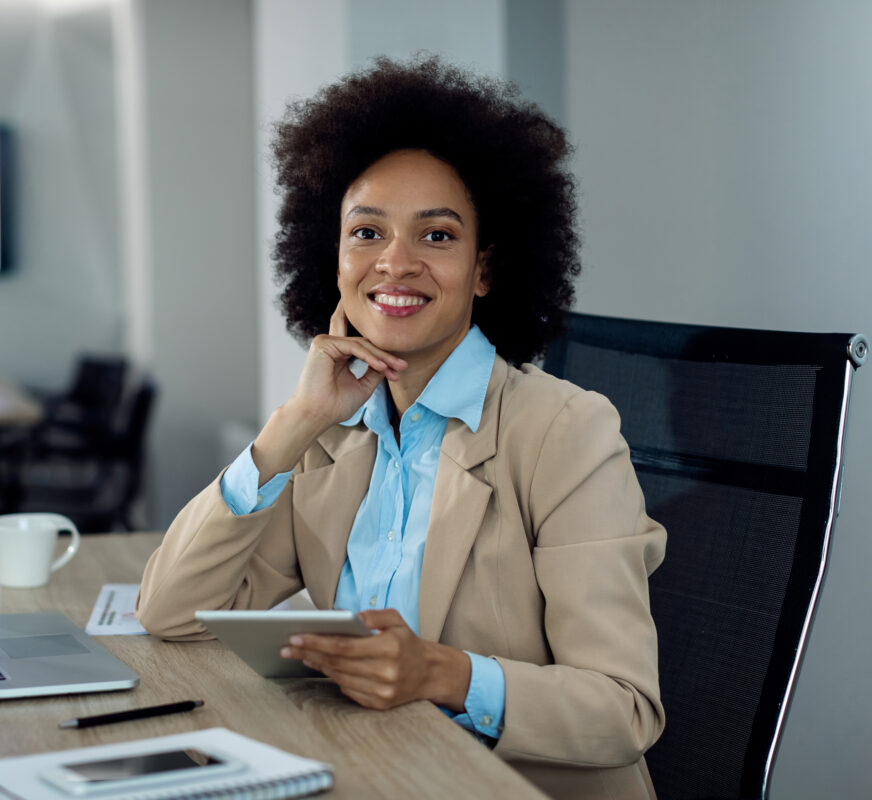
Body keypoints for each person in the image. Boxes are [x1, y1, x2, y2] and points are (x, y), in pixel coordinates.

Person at [136, 56, 666, 800]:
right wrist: (293, 425)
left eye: (437, 236)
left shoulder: (566, 434)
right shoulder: (335, 429)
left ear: (485, 268)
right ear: (334, 258)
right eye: (367, 233)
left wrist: (444, 675)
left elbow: (624, 710)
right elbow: (169, 612)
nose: (395, 263)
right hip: (371, 768)